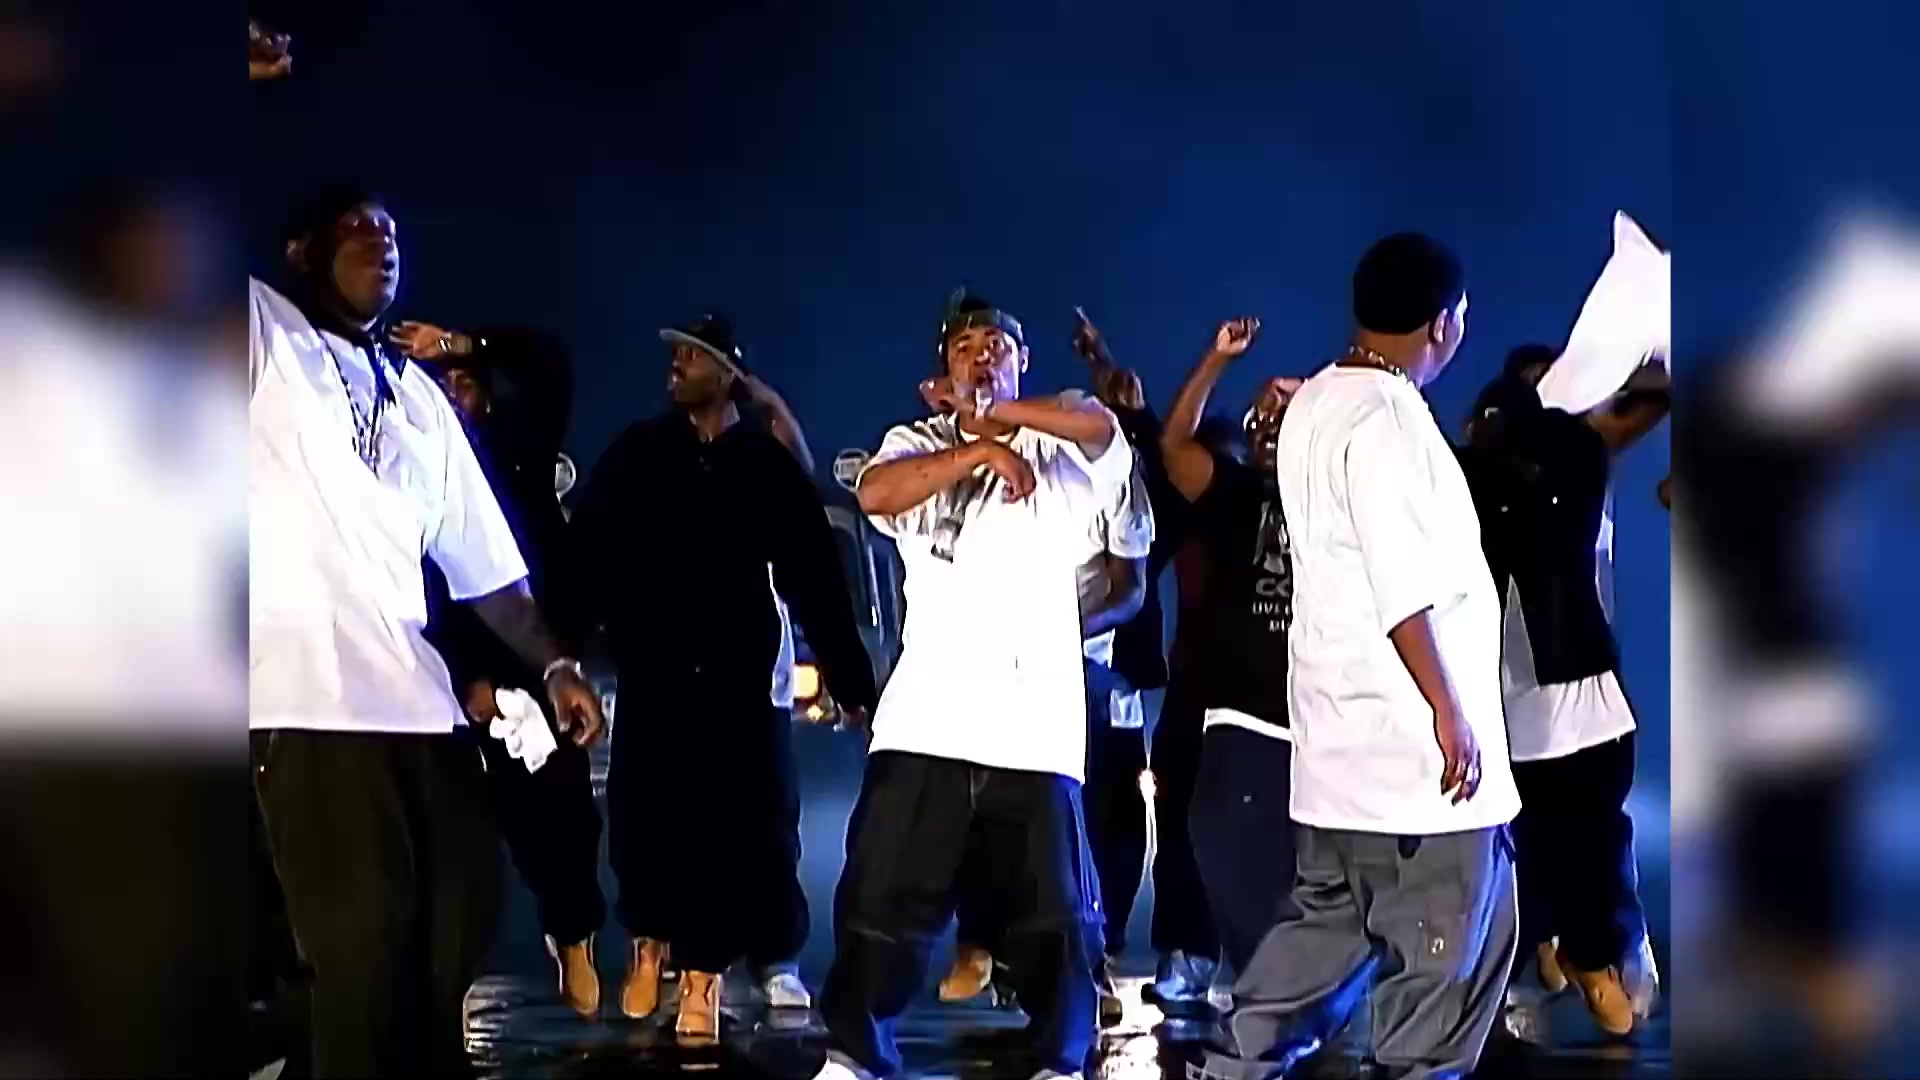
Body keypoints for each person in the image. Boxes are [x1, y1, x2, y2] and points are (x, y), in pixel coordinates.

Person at [249, 184, 604, 1078]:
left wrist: (555, 664)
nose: (383, 243)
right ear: (301, 251)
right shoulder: (270, 346)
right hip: (312, 705)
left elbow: (491, 574)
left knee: (457, 927)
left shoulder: (418, 399)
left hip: (418, 707)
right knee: (361, 956)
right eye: (358, 229)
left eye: (393, 232)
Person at [1197, 233, 1520, 1080]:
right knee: (1448, 954)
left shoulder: (1317, 401)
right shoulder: (1386, 419)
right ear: (1441, 323)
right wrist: (1449, 711)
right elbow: (1401, 582)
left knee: (1327, 929)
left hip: (1336, 745)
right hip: (1412, 757)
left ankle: (1238, 1061)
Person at [816, 293, 1134, 1080]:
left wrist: (1000, 419)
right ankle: (854, 1054)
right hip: (927, 723)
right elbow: (876, 494)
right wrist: (977, 451)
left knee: (1057, 919)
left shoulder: (1063, 446)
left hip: (1035, 732)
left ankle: (1059, 1059)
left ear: (1024, 362)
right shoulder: (916, 442)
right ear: (943, 368)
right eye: (965, 347)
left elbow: (1101, 425)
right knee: (881, 904)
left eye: (998, 344)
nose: (982, 355)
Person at [570, 313, 877, 1040]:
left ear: (728, 372)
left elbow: (814, 577)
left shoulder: (763, 465)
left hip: (736, 679)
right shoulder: (639, 452)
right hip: (653, 672)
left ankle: (705, 978)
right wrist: (566, 652)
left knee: (732, 825)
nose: (677, 365)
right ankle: (649, 943)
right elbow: (586, 553)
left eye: (693, 355)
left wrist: (852, 681)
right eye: (675, 353)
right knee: (644, 818)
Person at [392, 317, 608, 1019]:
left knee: (563, 820)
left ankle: (572, 935)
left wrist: (462, 345)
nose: (455, 397)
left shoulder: (519, 452)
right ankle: (440, 989)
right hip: (449, 679)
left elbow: (550, 365)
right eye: (445, 387)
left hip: (538, 660)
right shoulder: (420, 470)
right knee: (458, 843)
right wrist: (465, 682)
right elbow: (425, 591)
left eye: (466, 385)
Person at [1460, 344, 1670, 1036]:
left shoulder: (1578, 460)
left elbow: (1646, 401)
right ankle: (1561, 954)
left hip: (1582, 691)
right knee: (1543, 848)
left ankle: (1597, 956)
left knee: (1595, 845)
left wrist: (1623, 362)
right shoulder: (1493, 480)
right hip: (1521, 703)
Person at [1154, 317, 1311, 981]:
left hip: (1318, 714)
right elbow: (1173, 445)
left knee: (1310, 867)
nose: (1270, 426)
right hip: (1236, 714)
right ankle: (1225, 966)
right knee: (1218, 844)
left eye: (1284, 417)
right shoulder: (1232, 491)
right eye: (1261, 420)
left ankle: (1306, 989)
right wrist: (1216, 360)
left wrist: (1318, 398)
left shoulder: (1341, 495)